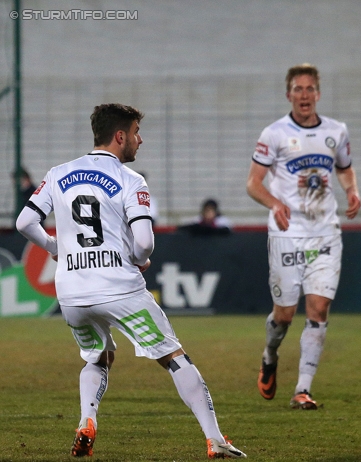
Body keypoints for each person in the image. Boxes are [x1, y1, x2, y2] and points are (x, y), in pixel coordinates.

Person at [15, 103, 246, 459]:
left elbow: (23, 223)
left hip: (73, 294)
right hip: (118, 288)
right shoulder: (131, 180)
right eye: (137, 132)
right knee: (174, 357)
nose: (141, 140)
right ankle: (215, 439)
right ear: (120, 136)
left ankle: (86, 422)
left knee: (97, 358)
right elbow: (144, 243)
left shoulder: (57, 173)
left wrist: (54, 248)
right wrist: (140, 260)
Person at [246, 63, 361, 410]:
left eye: (310, 89)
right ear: (289, 95)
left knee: (319, 308)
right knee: (283, 314)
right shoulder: (274, 134)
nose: (305, 95)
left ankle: (302, 389)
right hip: (287, 234)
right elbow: (253, 183)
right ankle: (270, 355)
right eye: (298, 89)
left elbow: (344, 168)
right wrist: (275, 203)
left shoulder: (336, 131)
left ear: (318, 94)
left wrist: (352, 191)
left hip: (325, 232)